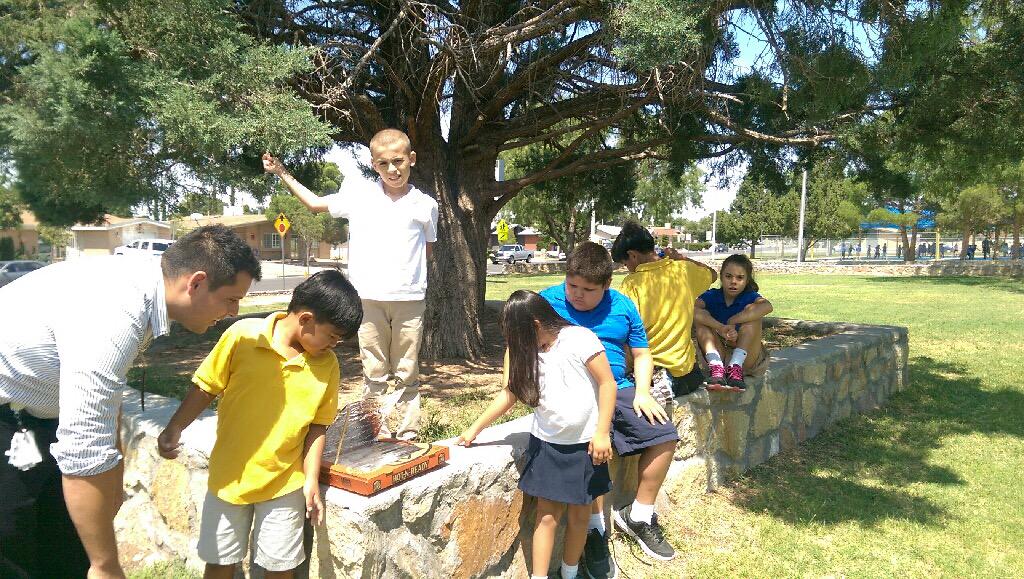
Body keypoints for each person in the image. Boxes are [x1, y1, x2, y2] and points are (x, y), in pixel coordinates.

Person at [0, 225, 261, 579]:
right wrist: (106, 566)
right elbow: (84, 446)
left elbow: (106, 396)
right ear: (196, 282)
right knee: (14, 549)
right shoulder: (116, 310)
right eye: (231, 298)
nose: (234, 311)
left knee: (64, 548)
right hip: (10, 417)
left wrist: (116, 473)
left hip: (41, 418)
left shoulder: (147, 290)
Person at [157, 270, 361, 578]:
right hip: (229, 479)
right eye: (332, 336)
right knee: (220, 562)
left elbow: (318, 427)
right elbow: (206, 386)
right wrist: (175, 426)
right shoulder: (243, 336)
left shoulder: (327, 366)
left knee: (280, 568)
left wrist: (309, 481)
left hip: (284, 485)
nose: (335, 345)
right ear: (305, 319)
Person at [263, 129, 438, 441]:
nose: (392, 169)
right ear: (373, 164)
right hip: (366, 299)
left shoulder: (426, 205)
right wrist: (281, 172)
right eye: (384, 164)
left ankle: (409, 432)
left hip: (410, 299)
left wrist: (418, 284)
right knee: (374, 371)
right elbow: (315, 204)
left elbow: (427, 249)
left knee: (407, 370)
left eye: (399, 161)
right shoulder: (359, 197)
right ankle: (377, 430)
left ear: (412, 159)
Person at [539, 242, 679, 576]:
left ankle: (640, 515)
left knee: (665, 435)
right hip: (570, 391)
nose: (576, 295)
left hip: (618, 387)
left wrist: (643, 392)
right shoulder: (546, 301)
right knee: (590, 449)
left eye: (588, 290)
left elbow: (643, 354)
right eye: (571, 285)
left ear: (607, 285)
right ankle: (594, 531)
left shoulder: (623, 306)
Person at [458, 290, 615, 579]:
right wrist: (473, 430)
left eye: (518, 336)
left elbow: (607, 383)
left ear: (536, 324)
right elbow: (510, 394)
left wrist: (602, 432)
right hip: (548, 445)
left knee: (581, 516)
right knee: (547, 516)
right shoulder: (525, 352)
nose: (516, 345)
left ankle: (569, 572)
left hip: (586, 445)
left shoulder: (579, 339)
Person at [611, 221, 717, 398]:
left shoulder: (631, 285)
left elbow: (622, 331)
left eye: (625, 263)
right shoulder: (683, 270)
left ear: (633, 255)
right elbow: (712, 274)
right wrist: (683, 259)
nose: (627, 269)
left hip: (651, 375)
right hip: (688, 374)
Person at [694, 254, 774, 392]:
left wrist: (733, 320)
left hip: (746, 358)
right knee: (700, 319)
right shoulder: (712, 296)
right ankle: (716, 366)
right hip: (719, 352)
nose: (733, 282)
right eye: (728, 276)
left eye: (740, 278)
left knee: (753, 316)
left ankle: (735, 366)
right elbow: (691, 310)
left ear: (747, 279)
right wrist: (720, 327)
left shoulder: (750, 297)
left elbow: (767, 306)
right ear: (721, 276)